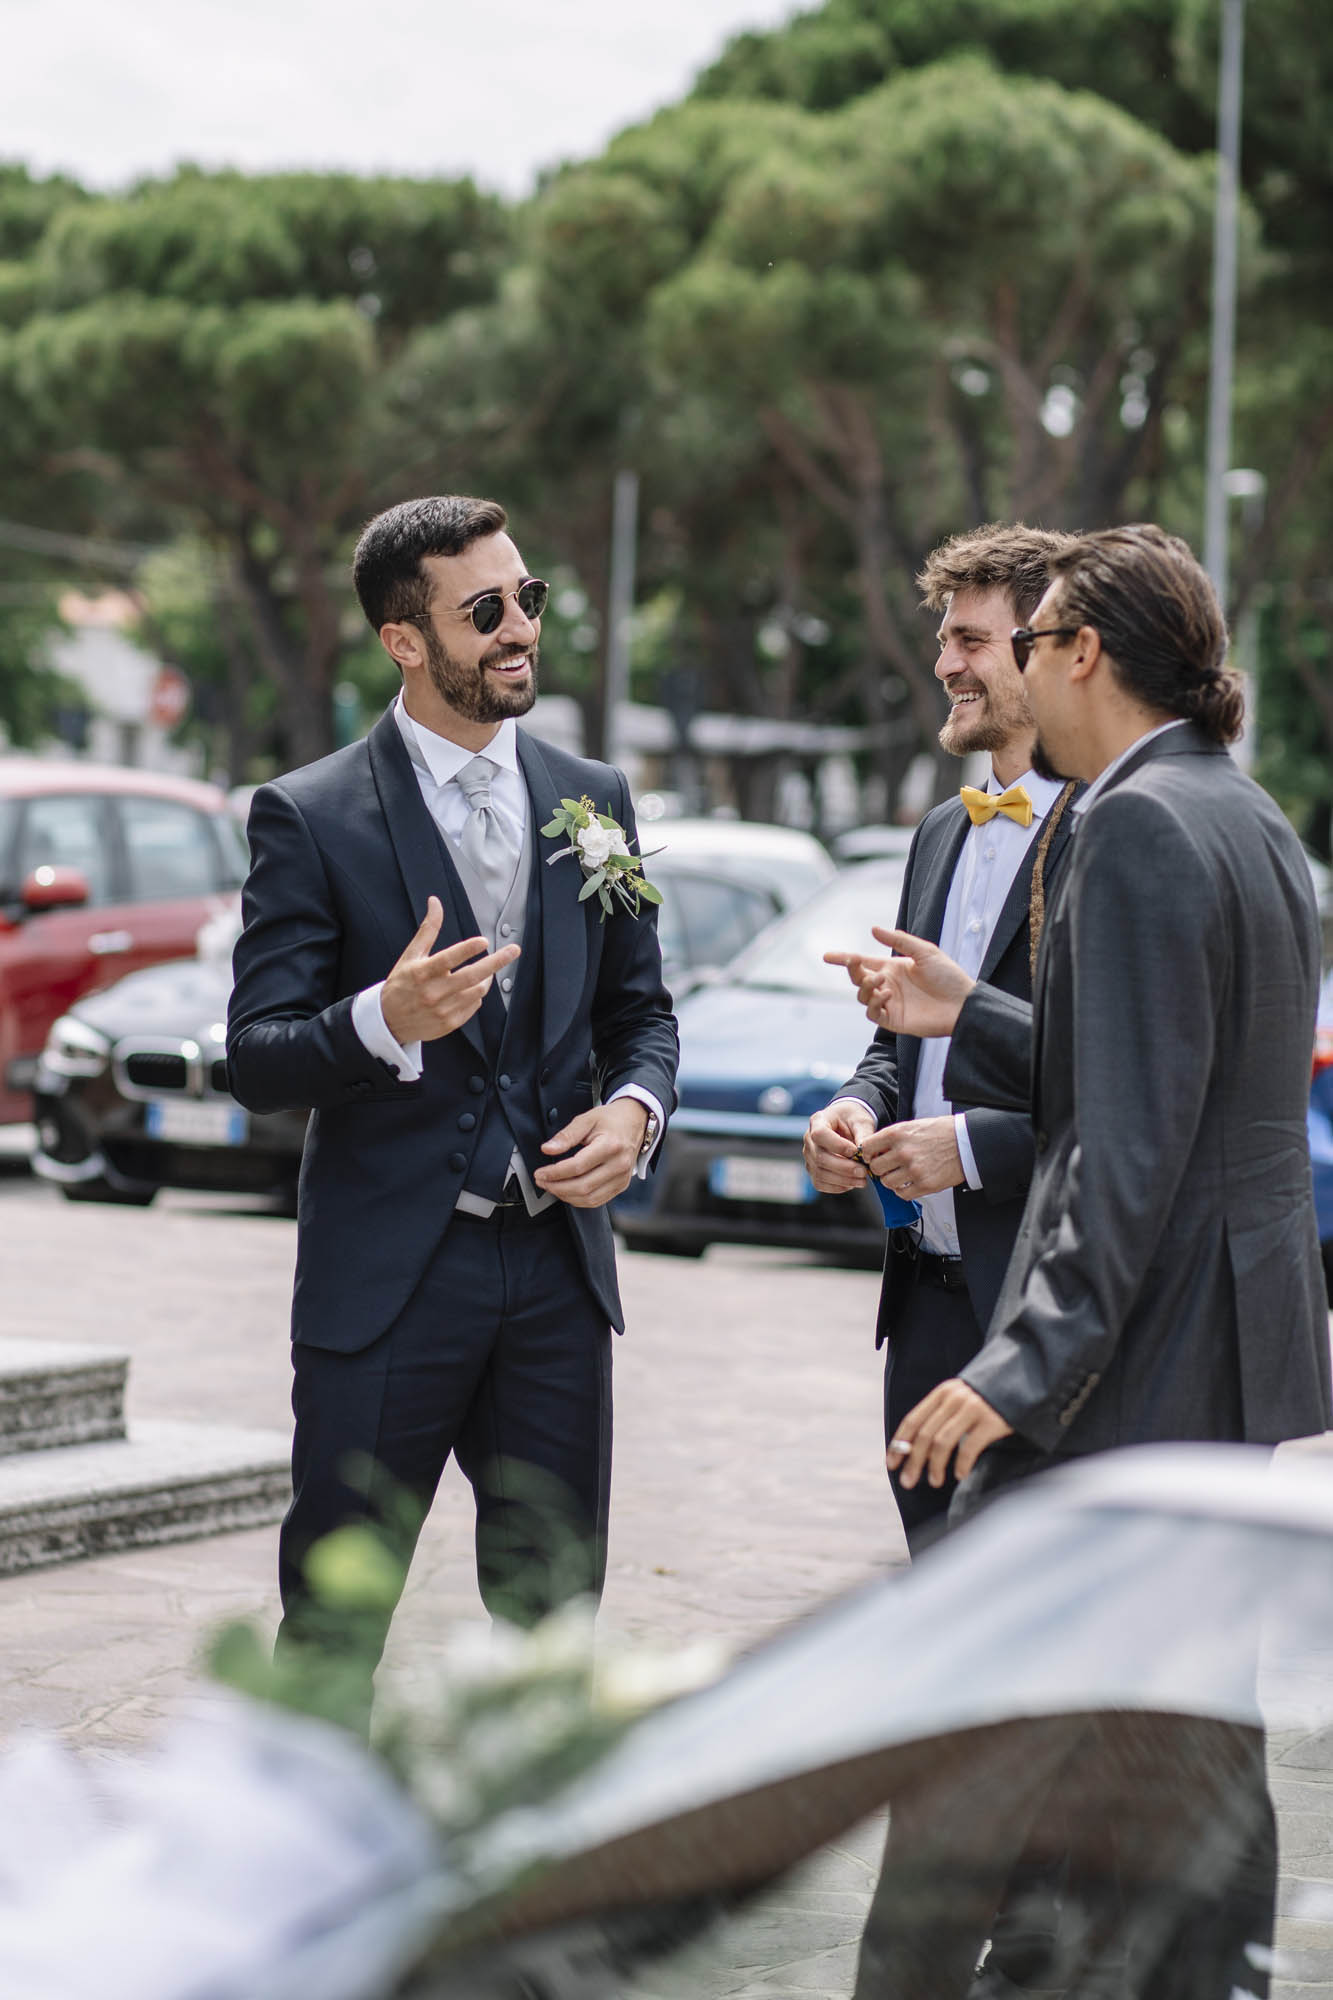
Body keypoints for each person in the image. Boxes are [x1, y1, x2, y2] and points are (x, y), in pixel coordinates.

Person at [840, 523, 1331, 1999]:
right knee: (1187, 1712)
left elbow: (1124, 1146)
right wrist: (965, 1014)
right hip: (1229, 1351)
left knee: (978, 1701)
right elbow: (1149, 1070)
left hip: (1130, 1360)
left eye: (1032, 640)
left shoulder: (1122, 824)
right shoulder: (1243, 814)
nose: (1017, 673)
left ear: (1082, 654)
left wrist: (1020, 1368)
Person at [227, 494, 679, 1674]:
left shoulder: (597, 800)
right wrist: (383, 1017)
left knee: (553, 1627)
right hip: (387, 1282)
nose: (521, 626)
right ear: (405, 641)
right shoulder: (309, 815)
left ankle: (530, 1862)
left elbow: (643, 1013)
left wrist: (636, 1111)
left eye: (529, 596)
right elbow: (255, 1057)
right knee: (333, 1624)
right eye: (486, 609)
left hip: (556, 1279)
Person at [804, 524, 1080, 1552]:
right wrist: (859, 1104)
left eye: (969, 638)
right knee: (933, 1594)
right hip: (922, 1296)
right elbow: (904, 1040)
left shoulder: (1111, 830)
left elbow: (1119, 1080)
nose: (943, 663)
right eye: (943, 638)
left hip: (1041, 1296)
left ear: (1044, 648)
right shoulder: (938, 831)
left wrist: (963, 1149)